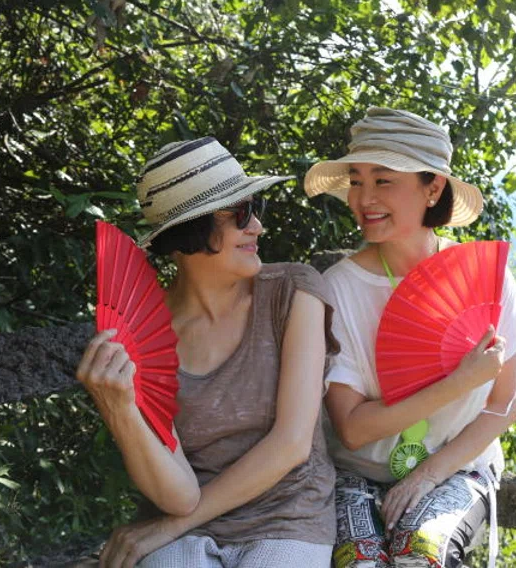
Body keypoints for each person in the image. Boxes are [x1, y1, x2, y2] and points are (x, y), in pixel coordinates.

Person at [76, 136, 338, 568]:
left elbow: (292, 444)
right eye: (239, 214)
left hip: (288, 517)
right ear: (189, 233)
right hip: (185, 521)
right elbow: (179, 495)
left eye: (256, 209)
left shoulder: (294, 290)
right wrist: (118, 409)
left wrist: (167, 529)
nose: (257, 227)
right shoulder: (142, 331)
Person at [304, 108, 516, 568]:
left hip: (457, 467)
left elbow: (504, 406)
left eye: (383, 181)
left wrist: (427, 476)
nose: (364, 198)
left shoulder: (488, 280)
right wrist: (457, 383)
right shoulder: (338, 288)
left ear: (433, 188)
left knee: (418, 557)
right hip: (356, 472)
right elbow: (353, 427)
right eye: (357, 180)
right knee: (361, 562)